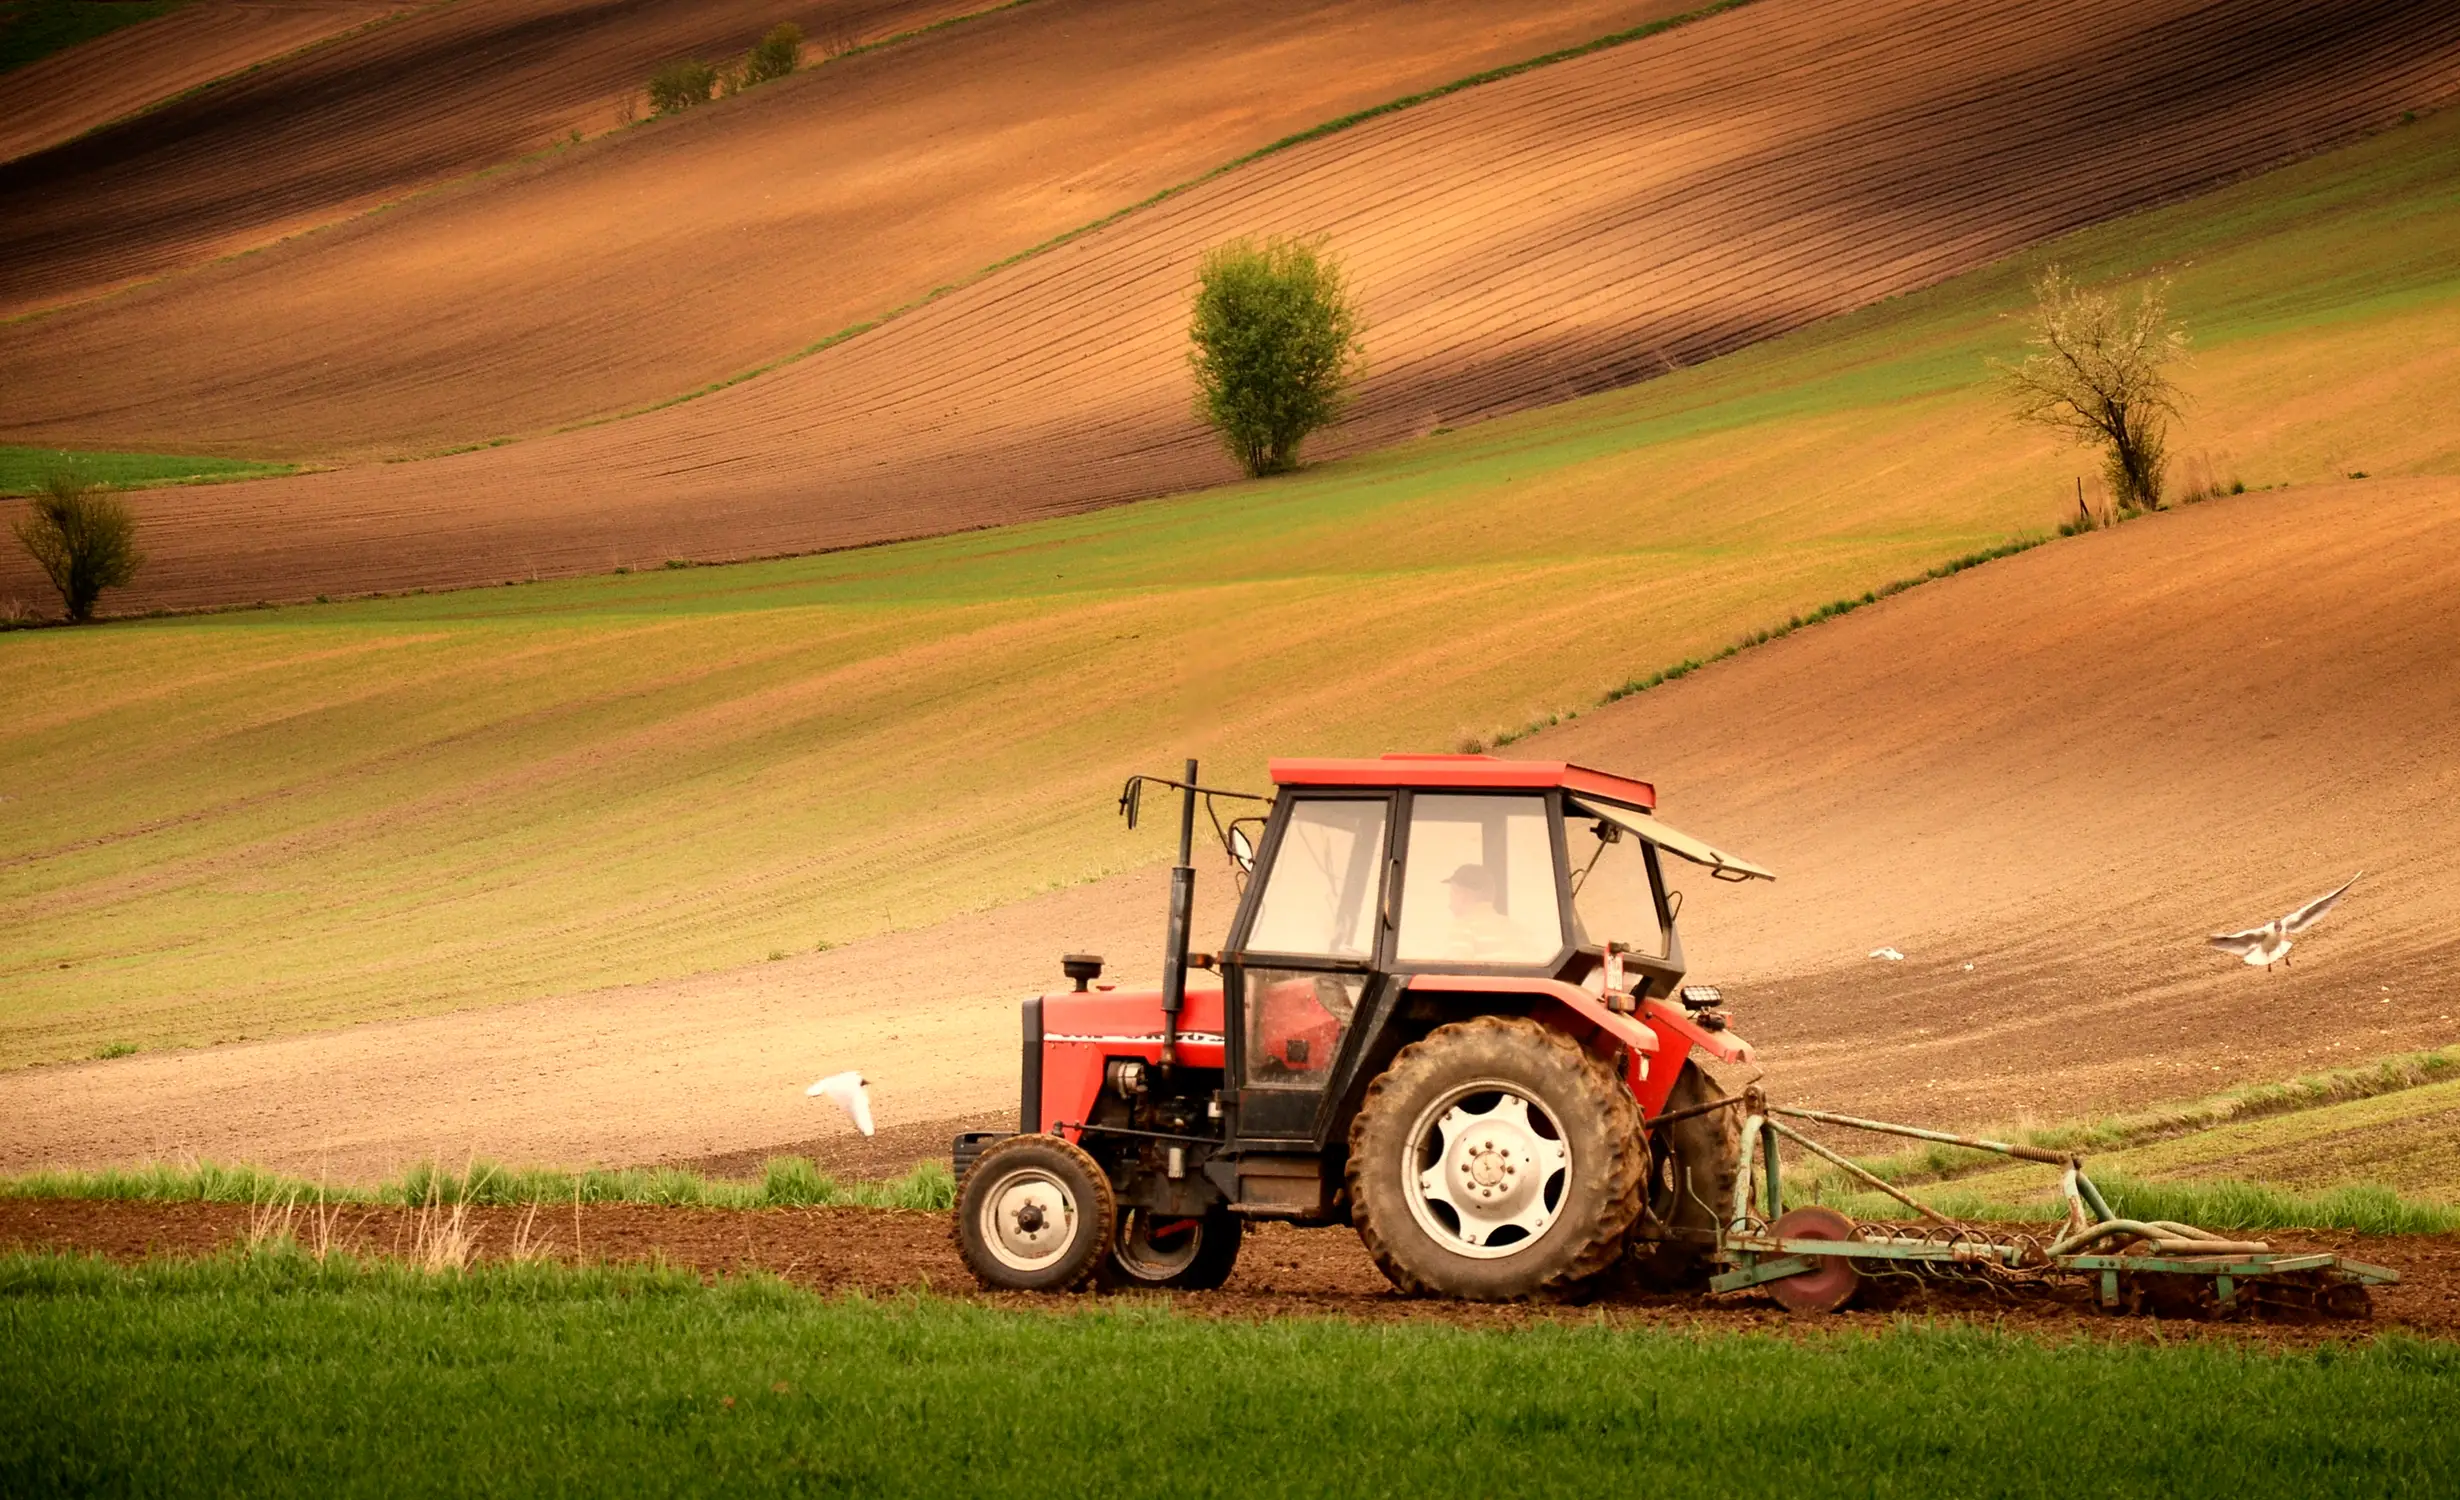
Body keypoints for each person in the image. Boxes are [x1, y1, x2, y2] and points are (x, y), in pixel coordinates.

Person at [1440, 864, 1525, 960]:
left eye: (1451, 895)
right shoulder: (1523, 933)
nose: (1450, 906)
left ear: (1461, 895)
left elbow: (1456, 972)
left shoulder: (1463, 929)